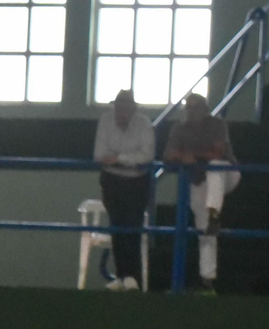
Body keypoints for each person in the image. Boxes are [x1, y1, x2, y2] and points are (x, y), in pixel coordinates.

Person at [164, 92, 239, 290]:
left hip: (226, 174)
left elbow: (218, 152)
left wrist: (192, 156)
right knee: (203, 227)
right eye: (187, 107)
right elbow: (168, 155)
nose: (191, 111)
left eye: (195, 107)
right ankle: (208, 279)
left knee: (215, 166)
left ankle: (215, 213)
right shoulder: (179, 129)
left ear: (205, 109)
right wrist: (185, 157)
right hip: (198, 180)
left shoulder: (217, 124)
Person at [93, 89, 155, 291]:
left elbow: (147, 155)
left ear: (134, 109)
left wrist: (119, 158)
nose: (121, 112)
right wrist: (130, 158)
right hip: (112, 181)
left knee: (132, 227)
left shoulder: (144, 123)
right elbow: (99, 154)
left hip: (137, 183)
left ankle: (133, 277)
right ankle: (122, 276)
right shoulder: (105, 120)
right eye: (118, 107)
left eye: (126, 108)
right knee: (117, 228)